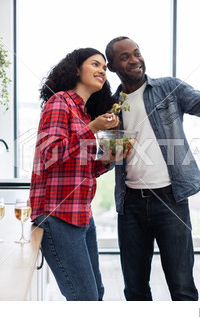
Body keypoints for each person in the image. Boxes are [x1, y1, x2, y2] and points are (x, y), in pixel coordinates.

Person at [105, 36, 200, 301]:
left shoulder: (169, 88)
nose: (134, 60)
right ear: (111, 67)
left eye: (137, 53)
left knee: (182, 288)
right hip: (130, 205)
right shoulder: (110, 104)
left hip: (170, 201)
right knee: (134, 289)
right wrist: (110, 149)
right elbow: (108, 158)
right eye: (125, 57)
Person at [30, 48, 129, 301]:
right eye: (95, 64)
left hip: (81, 214)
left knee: (96, 293)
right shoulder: (59, 102)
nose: (102, 71)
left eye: (105, 68)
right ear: (76, 69)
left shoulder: (82, 112)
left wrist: (110, 158)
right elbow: (51, 155)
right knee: (84, 297)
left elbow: (80, 167)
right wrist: (93, 127)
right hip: (57, 216)